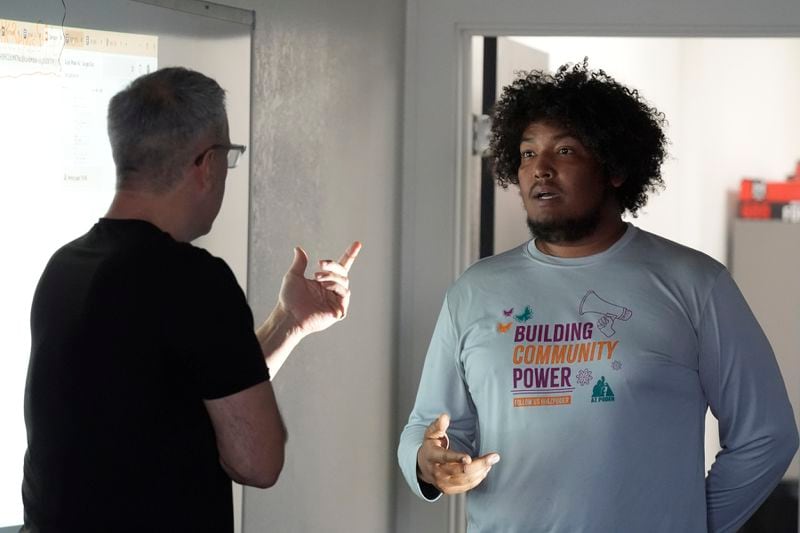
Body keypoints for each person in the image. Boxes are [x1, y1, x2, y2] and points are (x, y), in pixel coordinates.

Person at [398, 60, 798, 532]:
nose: (540, 169)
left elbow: (766, 435)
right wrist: (429, 462)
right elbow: (427, 427)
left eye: (563, 150)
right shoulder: (475, 291)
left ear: (615, 168)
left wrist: (696, 524)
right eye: (527, 154)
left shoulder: (694, 283)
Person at [21, 67, 361, 533]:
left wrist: (290, 321)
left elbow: (198, 389)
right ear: (206, 165)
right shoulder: (191, 279)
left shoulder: (65, 266)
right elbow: (258, 462)